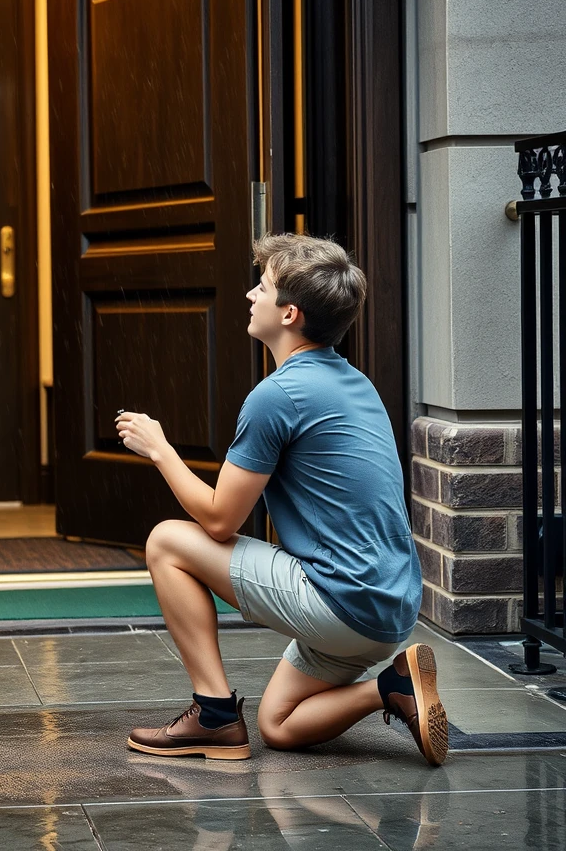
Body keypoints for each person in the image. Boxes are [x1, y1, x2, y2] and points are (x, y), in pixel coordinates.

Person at [116, 233, 446, 766]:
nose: (250, 294)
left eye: (262, 287)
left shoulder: (279, 395)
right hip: (390, 610)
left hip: (341, 600)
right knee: (279, 726)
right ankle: (392, 685)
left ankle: (215, 714)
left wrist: (160, 449)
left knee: (167, 542)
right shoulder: (355, 382)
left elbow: (221, 520)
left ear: (289, 313)